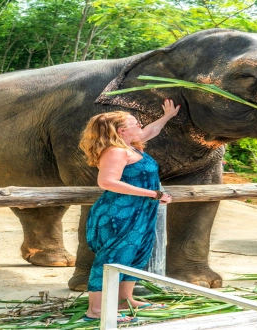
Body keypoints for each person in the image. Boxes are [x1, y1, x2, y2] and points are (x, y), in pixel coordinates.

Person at [78, 99, 180, 322]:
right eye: (137, 123)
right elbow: (107, 182)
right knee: (111, 260)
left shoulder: (130, 145)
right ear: (122, 131)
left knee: (134, 256)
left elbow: (150, 131)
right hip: (120, 214)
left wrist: (167, 117)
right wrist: (154, 194)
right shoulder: (116, 151)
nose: (141, 126)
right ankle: (95, 311)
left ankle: (124, 300)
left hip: (140, 212)